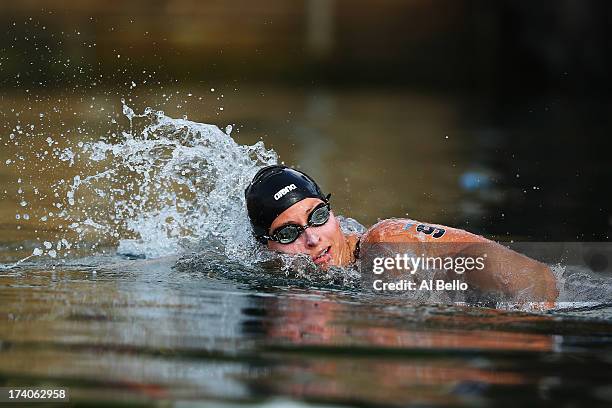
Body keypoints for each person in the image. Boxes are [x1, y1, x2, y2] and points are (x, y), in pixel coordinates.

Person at [245, 165, 558, 302]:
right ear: (267, 247)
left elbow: (535, 278)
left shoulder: (385, 244)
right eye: (288, 233)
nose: (313, 239)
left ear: (332, 210)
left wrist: (521, 330)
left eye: (318, 216)